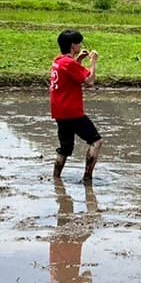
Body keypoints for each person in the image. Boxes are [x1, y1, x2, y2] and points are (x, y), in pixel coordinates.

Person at [50, 30, 102, 182]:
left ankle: (56, 178)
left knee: (65, 148)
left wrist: (78, 60)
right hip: (72, 112)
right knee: (96, 141)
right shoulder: (69, 63)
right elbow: (89, 82)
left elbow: (72, 76)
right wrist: (93, 62)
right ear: (73, 45)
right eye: (78, 43)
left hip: (59, 112)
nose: (80, 45)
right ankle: (87, 177)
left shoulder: (58, 61)